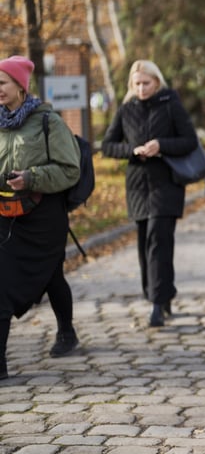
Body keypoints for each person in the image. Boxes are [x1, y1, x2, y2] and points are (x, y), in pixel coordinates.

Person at [101, 60, 201, 328]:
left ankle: (157, 303)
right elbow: (108, 145)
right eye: (137, 84)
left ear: (157, 82)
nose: (142, 88)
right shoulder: (125, 109)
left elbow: (190, 141)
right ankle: (161, 293)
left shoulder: (171, 104)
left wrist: (161, 145)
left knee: (159, 240)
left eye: (146, 83)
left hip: (166, 183)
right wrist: (132, 151)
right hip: (137, 186)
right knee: (145, 242)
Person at [0, 55, 82, 380]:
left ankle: (66, 331)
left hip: (44, 217)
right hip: (7, 215)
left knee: (51, 276)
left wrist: (31, 178)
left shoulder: (49, 122)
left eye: (2, 83)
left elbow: (70, 169)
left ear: (21, 86)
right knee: (3, 282)